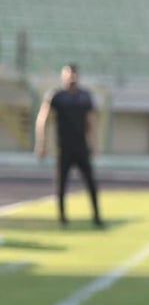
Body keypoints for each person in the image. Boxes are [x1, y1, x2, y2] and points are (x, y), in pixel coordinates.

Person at [34, 63, 102, 227]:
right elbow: (43, 119)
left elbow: (91, 122)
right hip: (63, 147)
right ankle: (62, 218)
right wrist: (41, 143)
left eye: (74, 74)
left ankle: (97, 217)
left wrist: (94, 144)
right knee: (61, 184)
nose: (71, 78)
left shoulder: (85, 96)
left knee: (91, 182)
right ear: (63, 76)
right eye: (68, 74)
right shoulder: (56, 96)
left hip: (81, 147)